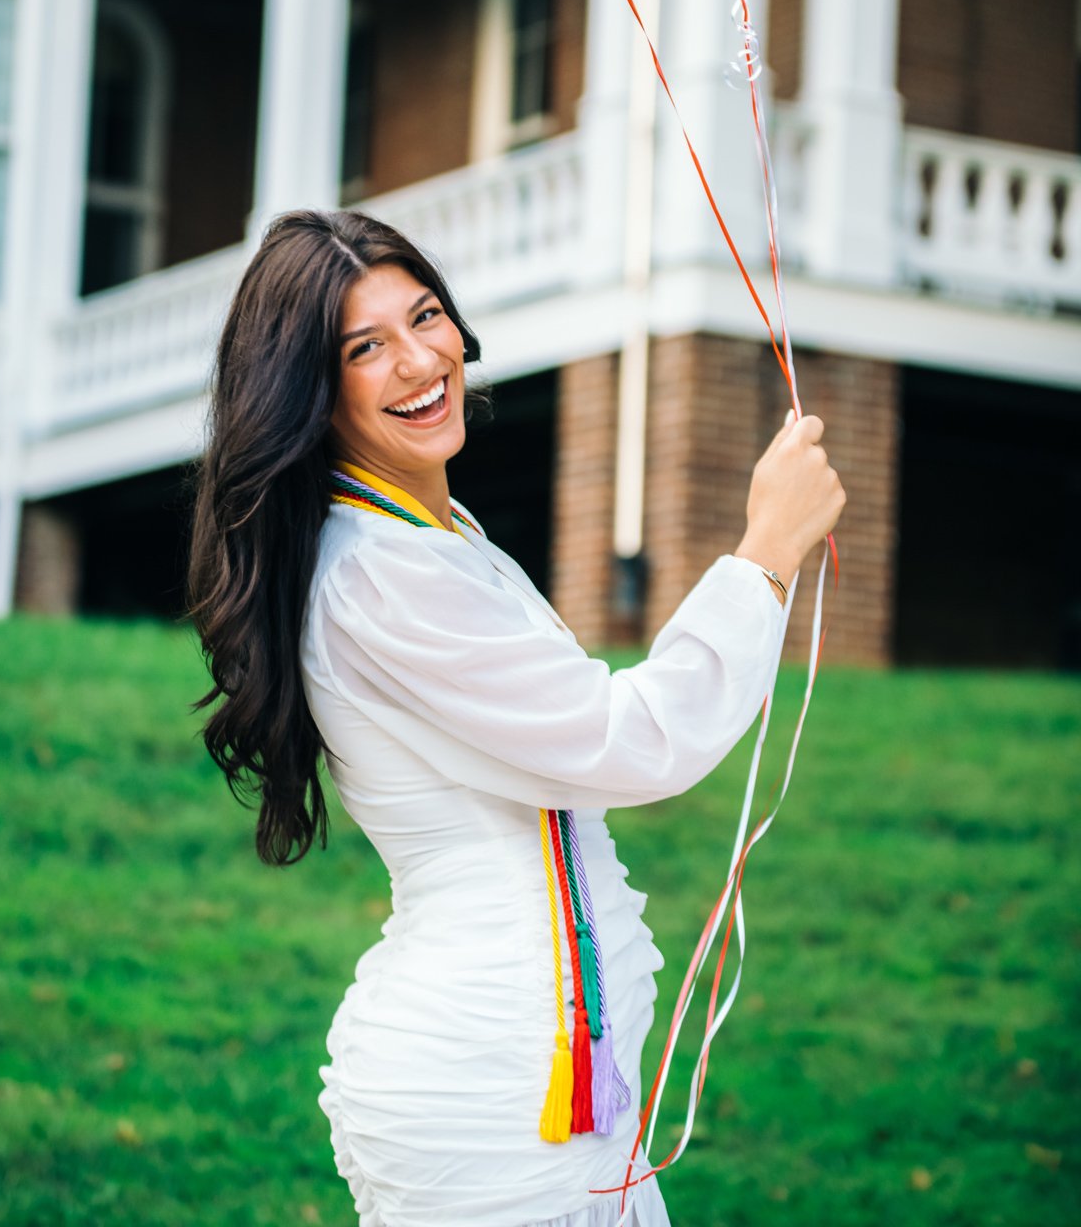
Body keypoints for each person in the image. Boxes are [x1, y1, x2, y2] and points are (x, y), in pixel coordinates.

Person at [186, 209, 845, 1227]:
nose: (418, 360)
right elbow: (620, 740)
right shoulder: (380, 575)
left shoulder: (432, 539)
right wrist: (761, 556)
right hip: (486, 1085)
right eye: (365, 348)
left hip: (548, 1082)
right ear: (310, 397)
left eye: (425, 316)